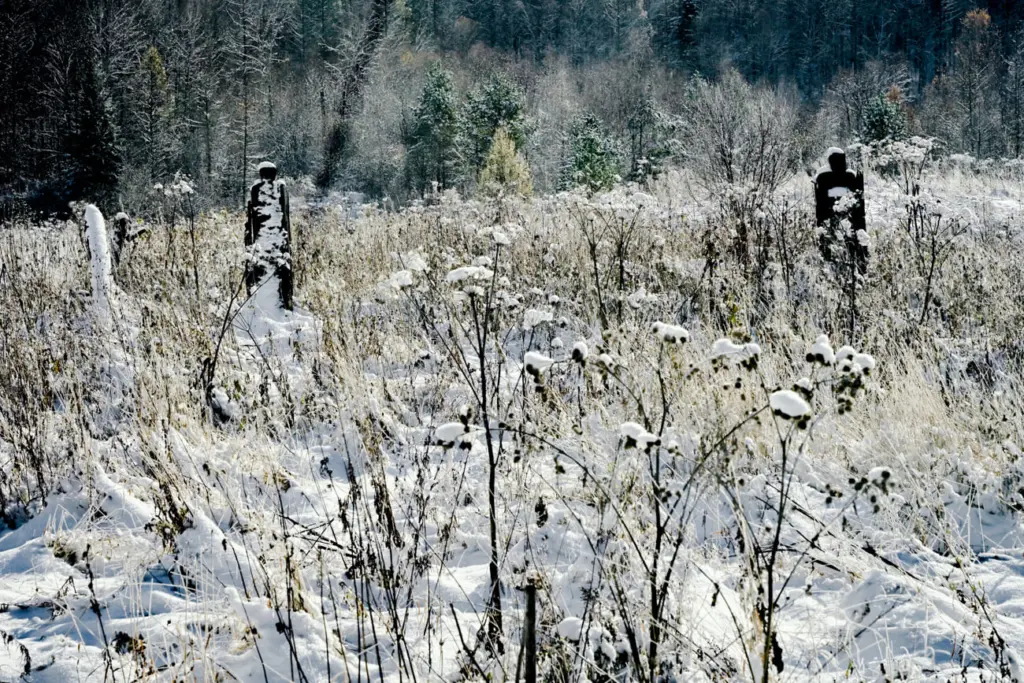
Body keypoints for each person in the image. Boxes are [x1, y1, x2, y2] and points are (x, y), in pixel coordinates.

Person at [244, 162, 293, 310]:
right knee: (279, 270)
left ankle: (267, 301)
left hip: (263, 241)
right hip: (277, 240)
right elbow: (286, 217)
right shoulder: (279, 189)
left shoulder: (257, 190)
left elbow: (252, 218)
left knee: (264, 270)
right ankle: (282, 301)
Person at [813, 147, 867, 274]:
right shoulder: (850, 176)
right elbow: (859, 201)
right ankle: (858, 269)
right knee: (852, 247)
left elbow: (819, 200)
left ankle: (830, 269)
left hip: (828, 219)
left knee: (829, 245)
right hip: (851, 221)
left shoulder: (823, 177)